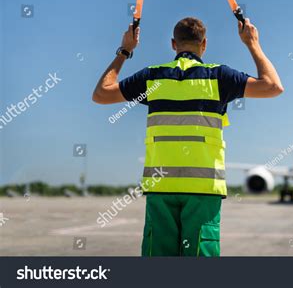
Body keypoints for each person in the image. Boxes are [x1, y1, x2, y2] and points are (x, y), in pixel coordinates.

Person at [92, 16, 283, 256]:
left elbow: (101, 94)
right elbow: (273, 86)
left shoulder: (153, 78)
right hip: (203, 190)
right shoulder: (219, 77)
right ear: (204, 45)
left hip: (160, 187)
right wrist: (252, 43)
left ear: (174, 44)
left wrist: (125, 51)